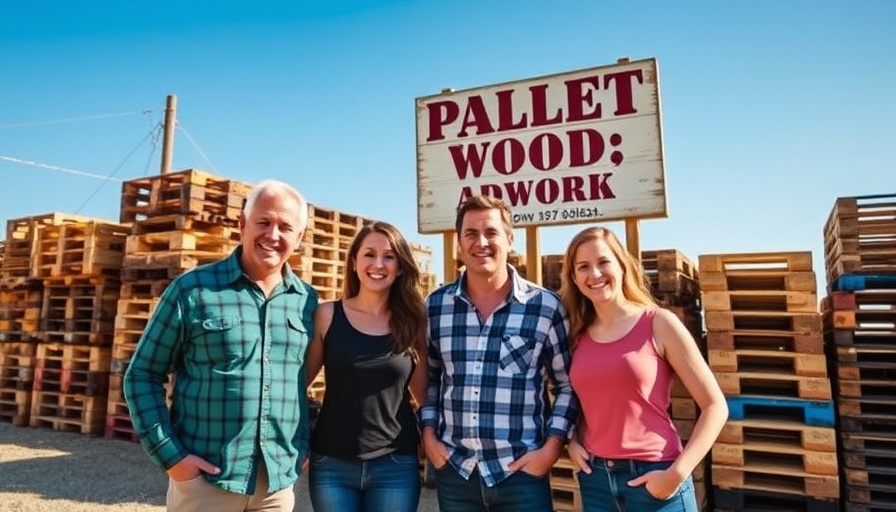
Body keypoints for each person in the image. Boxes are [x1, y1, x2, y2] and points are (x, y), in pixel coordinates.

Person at [123, 180, 318, 512]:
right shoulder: (193, 290)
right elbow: (142, 374)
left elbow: (299, 386)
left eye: (285, 227)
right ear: (242, 224)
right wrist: (172, 457)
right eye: (263, 222)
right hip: (208, 481)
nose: (273, 234)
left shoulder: (306, 302)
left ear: (298, 238)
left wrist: (299, 449)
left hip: (275, 485)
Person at [420, 195, 578, 512]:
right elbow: (432, 377)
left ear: (509, 239)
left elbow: (567, 384)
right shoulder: (436, 307)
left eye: (491, 232)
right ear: (459, 245)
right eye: (471, 234)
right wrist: (429, 437)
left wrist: (550, 449)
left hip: (521, 473)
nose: (482, 242)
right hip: (457, 471)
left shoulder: (545, 307)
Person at [560, 227, 728, 512]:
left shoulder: (659, 323)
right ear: (574, 279)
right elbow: (582, 400)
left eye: (603, 262)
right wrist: (572, 440)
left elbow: (715, 406)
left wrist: (677, 473)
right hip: (597, 481)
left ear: (622, 265)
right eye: (583, 267)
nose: (595, 274)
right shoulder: (577, 335)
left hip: (655, 477)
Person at [304, 221, 428, 512]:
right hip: (331, 465)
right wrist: (295, 442)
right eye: (369, 254)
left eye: (389, 256)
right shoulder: (327, 315)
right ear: (354, 262)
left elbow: (424, 398)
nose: (378, 264)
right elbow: (299, 386)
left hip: (395, 465)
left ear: (399, 267)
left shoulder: (414, 321)